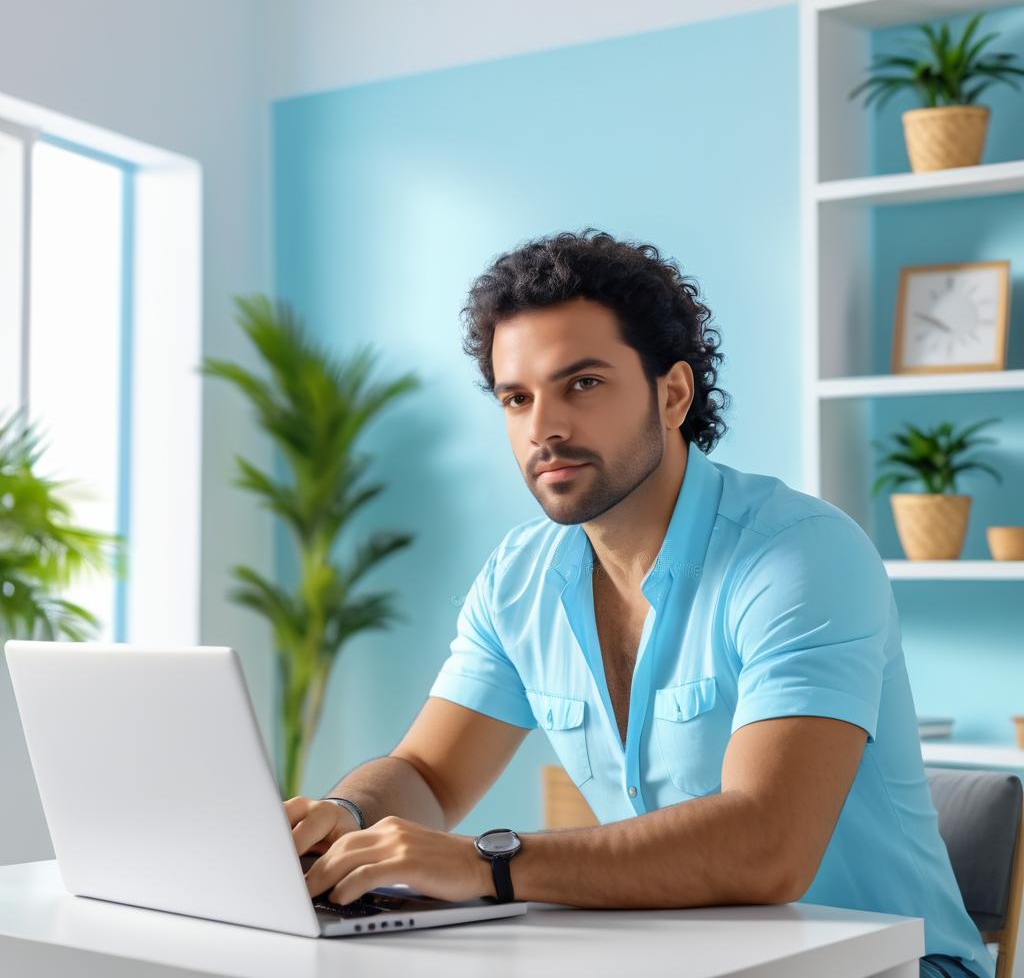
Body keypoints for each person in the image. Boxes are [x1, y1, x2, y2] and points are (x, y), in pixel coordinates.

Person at [288, 229, 994, 978]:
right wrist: (349, 817)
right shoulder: (518, 579)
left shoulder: (801, 555)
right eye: (517, 398)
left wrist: (487, 865)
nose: (544, 428)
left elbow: (769, 846)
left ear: (673, 393)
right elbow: (427, 774)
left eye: (582, 384)